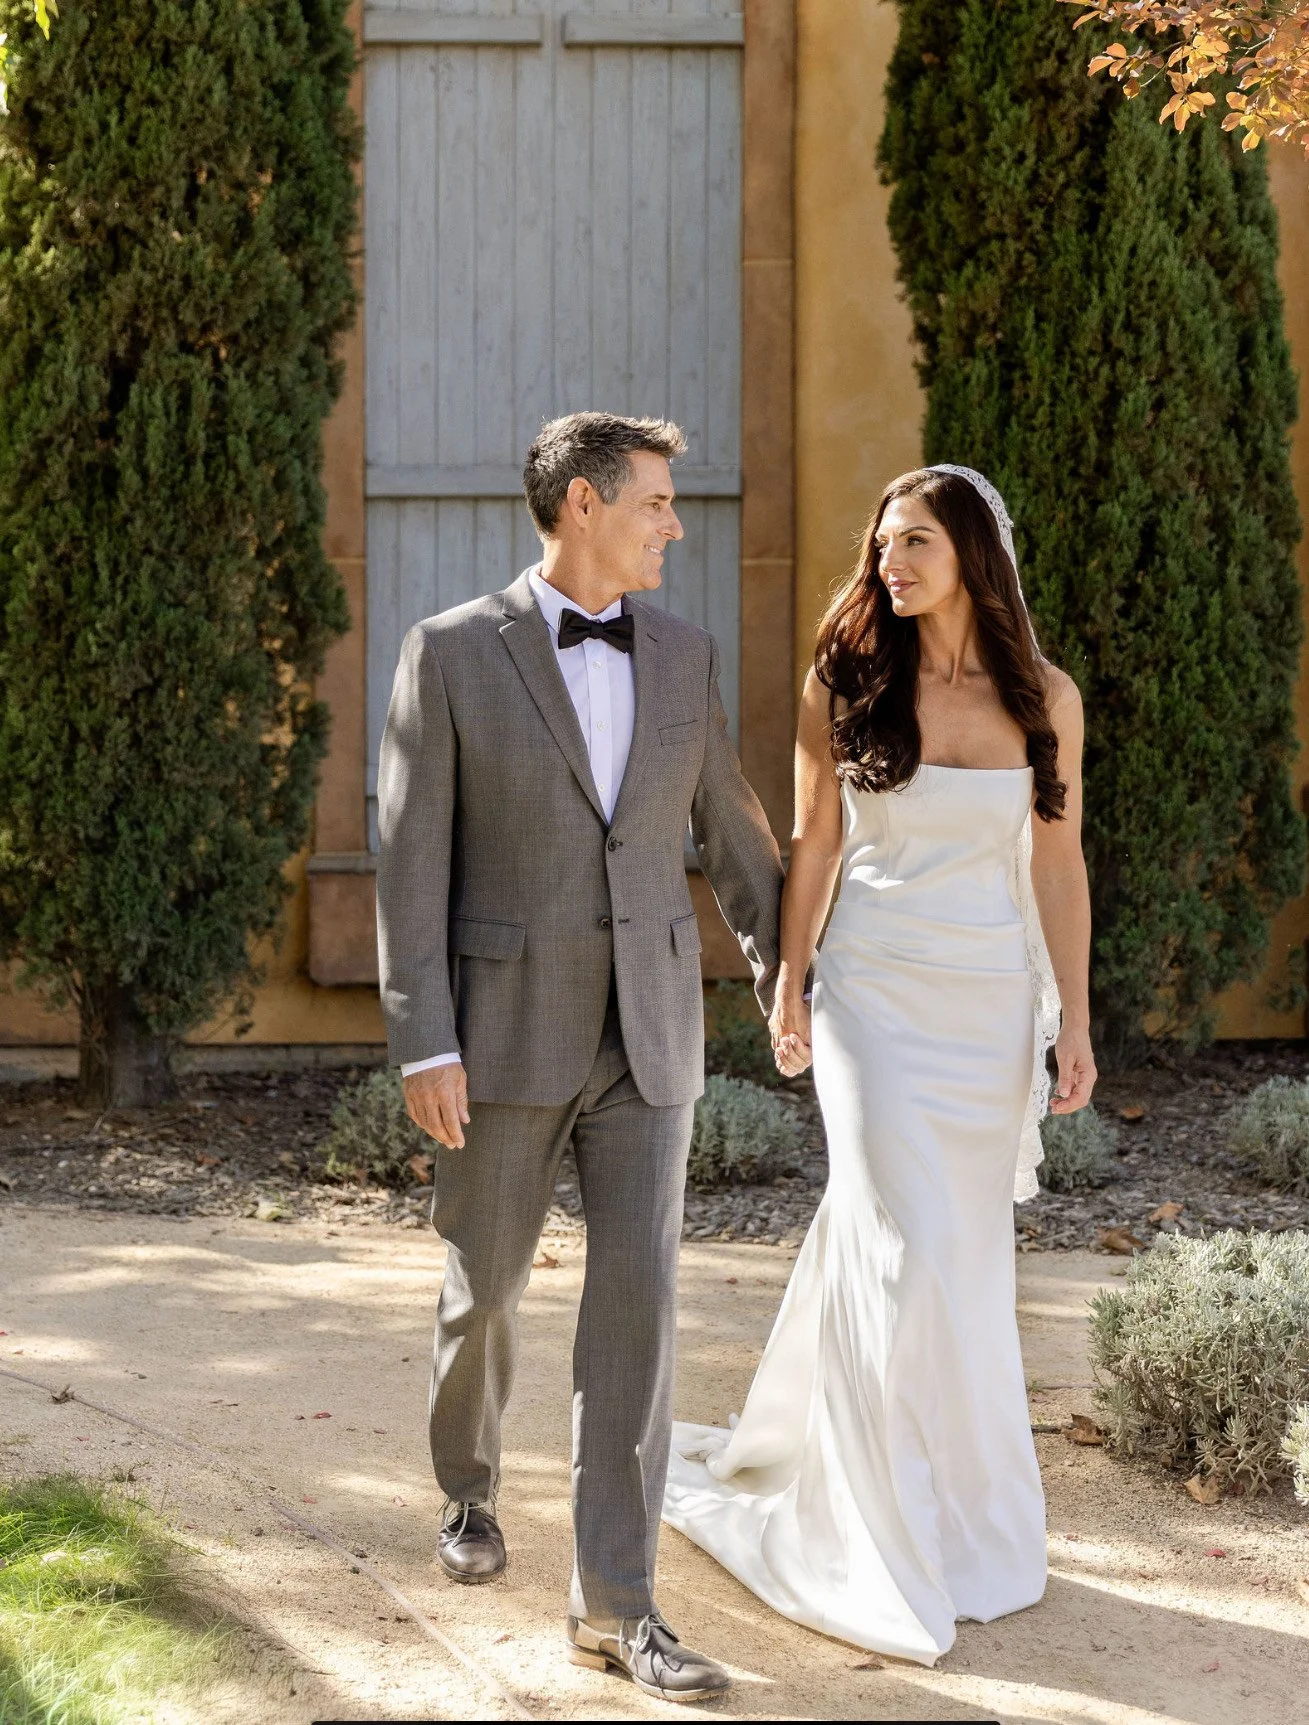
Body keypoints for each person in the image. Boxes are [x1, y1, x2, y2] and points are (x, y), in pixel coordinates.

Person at [375, 411, 783, 1703]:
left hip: (649, 1033)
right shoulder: (447, 654)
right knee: (484, 1286)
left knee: (637, 1325)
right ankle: (467, 1488)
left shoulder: (680, 653)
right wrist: (423, 1038)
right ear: (585, 506)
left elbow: (732, 836)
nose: (675, 522)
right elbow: (408, 865)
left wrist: (792, 979)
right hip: (498, 1035)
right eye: (656, 501)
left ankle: (618, 1607)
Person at [663, 465, 1096, 1665]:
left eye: (913, 544)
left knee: (954, 1256)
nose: (887, 565)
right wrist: (790, 978)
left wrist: (1077, 1019)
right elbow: (815, 844)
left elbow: (1057, 869)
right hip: (871, 991)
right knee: (890, 1237)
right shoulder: (844, 678)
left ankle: (958, 1516)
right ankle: (863, 1527)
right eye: (881, 545)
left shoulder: (1042, 695)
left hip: (986, 1000)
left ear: (971, 555)